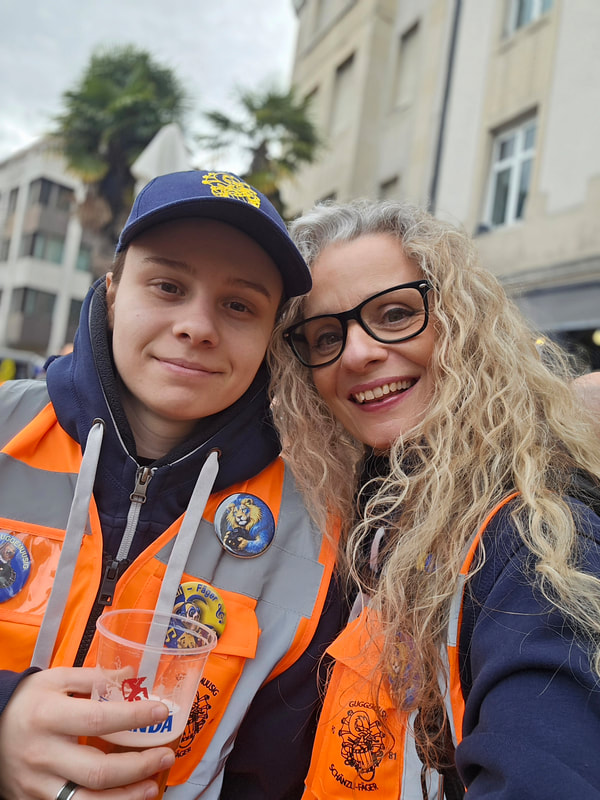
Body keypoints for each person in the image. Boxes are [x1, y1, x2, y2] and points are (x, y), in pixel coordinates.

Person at [0, 170, 345, 800]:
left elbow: (273, 773)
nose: (198, 326)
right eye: (168, 286)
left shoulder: (313, 529)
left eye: (239, 305)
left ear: (270, 335)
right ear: (112, 292)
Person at [269, 199, 600, 799]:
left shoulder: (534, 535)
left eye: (395, 314)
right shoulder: (358, 512)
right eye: (325, 336)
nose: (357, 353)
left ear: (462, 323)